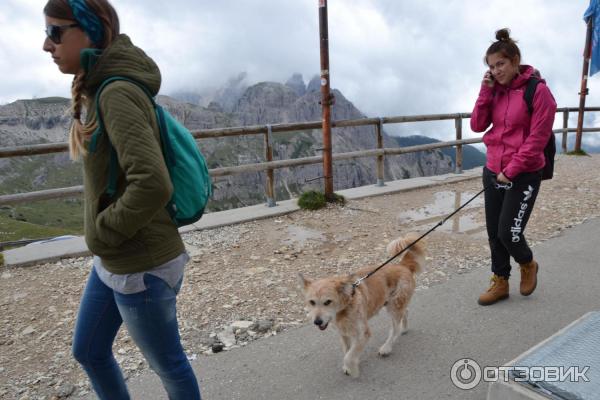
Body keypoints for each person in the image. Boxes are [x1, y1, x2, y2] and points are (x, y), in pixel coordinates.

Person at [42, 0, 201, 398]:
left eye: (55, 32)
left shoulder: (115, 94)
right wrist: (104, 238)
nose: (47, 45)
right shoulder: (98, 89)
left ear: (90, 30)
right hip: (114, 258)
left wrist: (103, 230)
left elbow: (152, 183)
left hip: (140, 264)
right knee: (90, 351)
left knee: (170, 366)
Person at [470, 28, 556, 306]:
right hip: (493, 168)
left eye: (501, 64)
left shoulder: (539, 92)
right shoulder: (494, 90)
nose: (496, 70)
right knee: (494, 231)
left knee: (509, 231)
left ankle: (527, 263)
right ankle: (500, 281)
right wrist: (485, 92)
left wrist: (512, 170)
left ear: (515, 60)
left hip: (524, 172)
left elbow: (537, 139)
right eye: (491, 66)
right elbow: (477, 125)